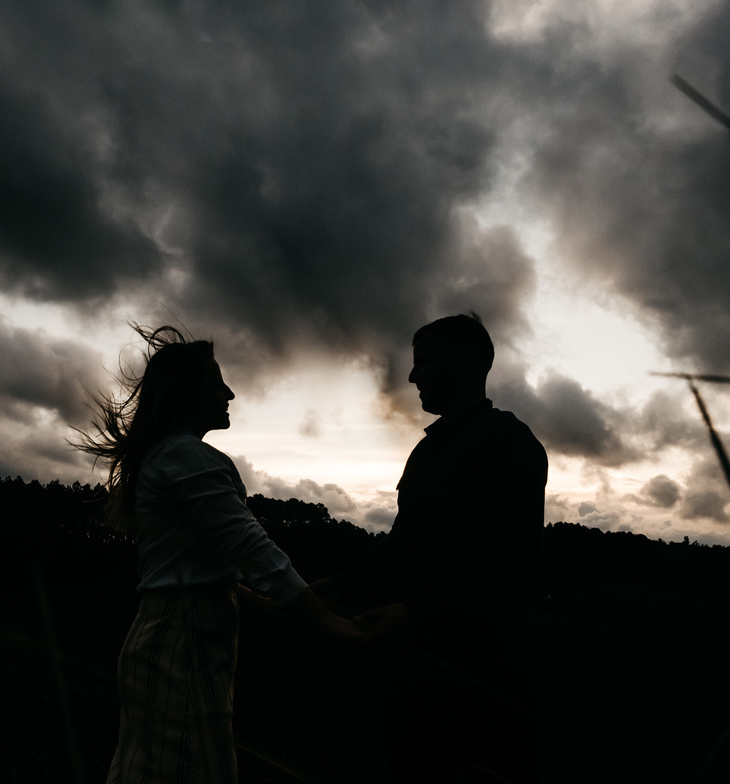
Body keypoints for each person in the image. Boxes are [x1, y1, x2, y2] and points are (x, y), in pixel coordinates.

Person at [77, 326, 362, 784]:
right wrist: (330, 626)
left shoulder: (168, 457)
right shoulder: (187, 456)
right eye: (216, 384)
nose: (229, 392)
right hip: (181, 645)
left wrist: (305, 611)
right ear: (187, 395)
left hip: (168, 641)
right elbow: (254, 550)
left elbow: (214, 579)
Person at [317, 313, 548, 783]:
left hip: (480, 684)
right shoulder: (429, 449)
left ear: (461, 363)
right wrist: (330, 588)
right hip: (415, 675)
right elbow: (402, 542)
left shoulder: (510, 444)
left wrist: (417, 613)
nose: (411, 375)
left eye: (422, 362)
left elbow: (511, 567)